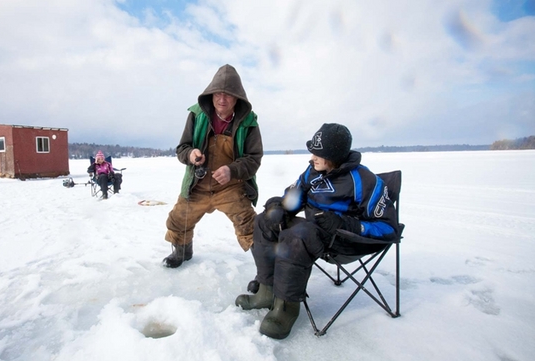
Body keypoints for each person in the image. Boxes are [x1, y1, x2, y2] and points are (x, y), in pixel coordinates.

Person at [235, 123, 400, 339]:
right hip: (315, 233)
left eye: (318, 153)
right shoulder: (313, 172)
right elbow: (295, 196)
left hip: (346, 240)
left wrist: (345, 224)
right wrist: (280, 206)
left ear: (334, 155)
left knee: (298, 235)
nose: (312, 157)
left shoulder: (365, 180)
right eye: (312, 151)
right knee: (264, 221)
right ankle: (267, 291)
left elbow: (388, 228)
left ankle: (285, 309)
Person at [162, 64, 263, 268]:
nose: (222, 99)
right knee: (178, 219)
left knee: (250, 225)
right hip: (197, 184)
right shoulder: (196, 115)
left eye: (228, 95)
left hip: (230, 186)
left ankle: (265, 273)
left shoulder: (249, 122)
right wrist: (191, 154)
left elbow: (254, 158)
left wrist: (232, 170)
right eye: (217, 93)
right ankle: (182, 253)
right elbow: (182, 147)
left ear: (238, 98)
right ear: (211, 94)